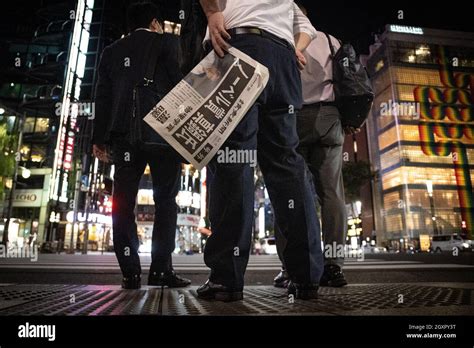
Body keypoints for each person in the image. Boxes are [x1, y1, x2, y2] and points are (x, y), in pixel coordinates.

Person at [197, 0, 324, 302]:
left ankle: (226, 278)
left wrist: (213, 13)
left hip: (238, 47)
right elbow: (307, 29)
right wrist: (296, 47)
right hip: (283, 59)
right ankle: (306, 275)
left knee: (233, 159)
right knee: (286, 162)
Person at [93, 2, 191, 289]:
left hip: (125, 137)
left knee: (122, 204)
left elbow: (103, 98)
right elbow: (181, 87)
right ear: (154, 22)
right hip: (164, 135)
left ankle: (130, 272)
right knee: (166, 203)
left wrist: (99, 140)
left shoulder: (111, 52)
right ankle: (161, 271)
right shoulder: (168, 43)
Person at [273, 4, 360, 289]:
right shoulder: (331, 40)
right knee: (333, 194)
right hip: (329, 118)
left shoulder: (280, 38)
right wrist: (350, 118)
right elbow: (347, 81)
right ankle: (334, 267)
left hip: (292, 117)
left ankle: (290, 268)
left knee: (290, 193)